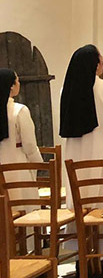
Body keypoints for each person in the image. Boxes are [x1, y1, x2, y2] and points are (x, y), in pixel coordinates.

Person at [60, 45, 103, 252]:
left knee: (81, 193)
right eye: (102, 59)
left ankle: (80, 241)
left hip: (75, 147)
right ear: (96, 64)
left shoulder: (66, 89)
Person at [0, 69, 43, 213]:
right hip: (18, 166)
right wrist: (40, 164)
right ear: (11, 86)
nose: (19, 84)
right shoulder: (19, 110)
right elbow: (30, 145)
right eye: (17, 80)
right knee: (24, 210)